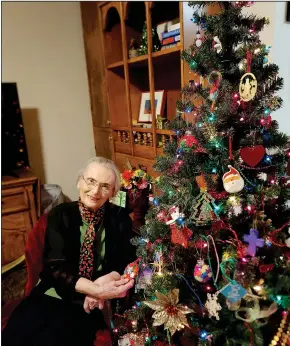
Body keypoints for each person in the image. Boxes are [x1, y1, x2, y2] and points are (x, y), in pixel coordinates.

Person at [2, 157, 137, 346]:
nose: (96, 191)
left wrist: (107, 281)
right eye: (91, 181)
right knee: (20, 335)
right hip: (54, 292)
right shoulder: (60, 215)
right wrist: (96, 290)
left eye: (105, 186)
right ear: (79, 182)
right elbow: (55, 268)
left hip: (89, 304)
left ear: (112, 192)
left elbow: (124, 259)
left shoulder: (119, 218)